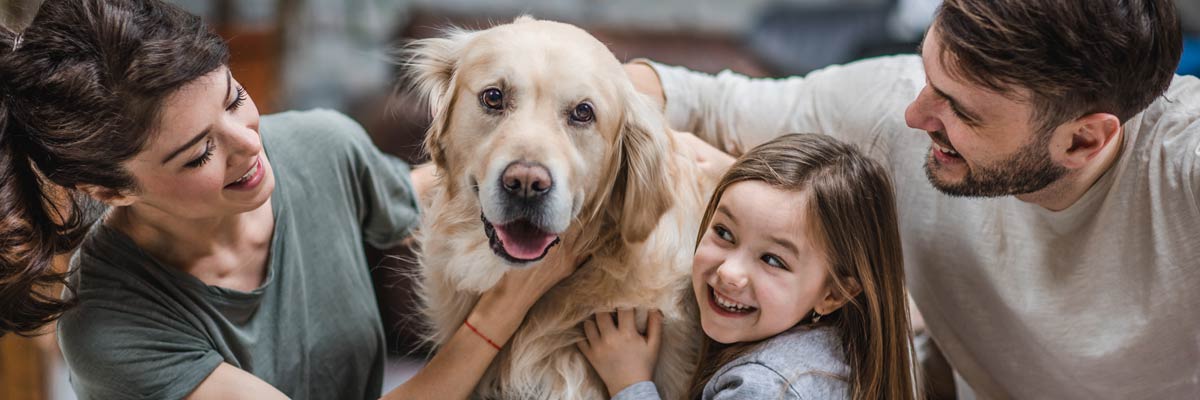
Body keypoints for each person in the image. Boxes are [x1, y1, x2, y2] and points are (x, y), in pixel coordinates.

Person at [0, 1, 583, 399]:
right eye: (199, 154)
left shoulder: (319, 146)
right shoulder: (110, 328)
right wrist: (501, 311)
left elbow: (436, 188)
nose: (250, 145)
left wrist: (642, 96)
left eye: (234, 100)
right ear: (110, 190)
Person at [622, 0, 1199, 398]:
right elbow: (695, 97)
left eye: (962, 111)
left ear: (1083, 139)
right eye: (929, 75)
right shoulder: (898, 106)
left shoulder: (1181, 168)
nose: (915, 115)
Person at [578, 134, 918, 400]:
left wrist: (630, 383)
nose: (729, 272)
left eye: (773, 260)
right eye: (724, 233)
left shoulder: (763, 387)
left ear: (833, 295)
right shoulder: (836, 354)